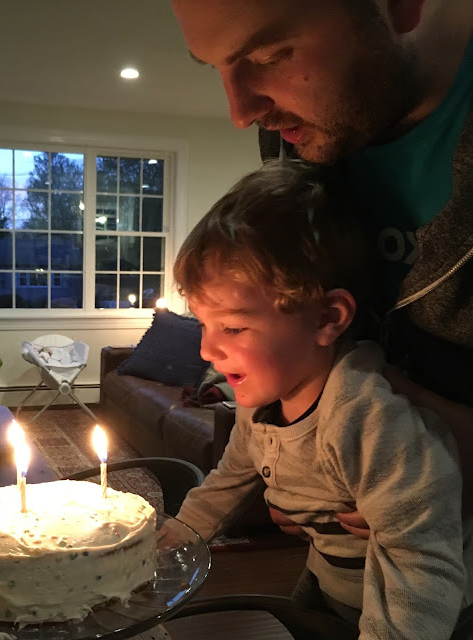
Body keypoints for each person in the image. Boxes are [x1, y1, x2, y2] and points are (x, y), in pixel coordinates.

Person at [169, 0, 473, 538]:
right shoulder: (298, 136)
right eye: (216, 67)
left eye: (270, 54)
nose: (240, 111)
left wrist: (437, 470)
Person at [172, 158, 473, 638]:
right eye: (203, 324)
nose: (207, 349)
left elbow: (420, 560)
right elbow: (229, 480)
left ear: (327, 318)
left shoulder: (366, 418)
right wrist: (177, 537)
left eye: (232, 327)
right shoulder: (258, 407)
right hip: (331, 593)